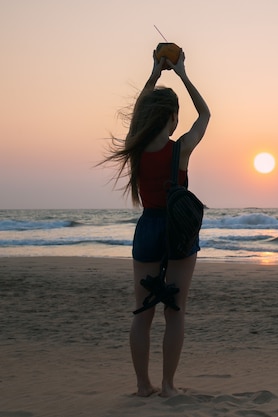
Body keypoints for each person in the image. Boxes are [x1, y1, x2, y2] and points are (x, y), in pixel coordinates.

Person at [102, 49, 210, 397]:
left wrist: (154, 73)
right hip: (178, 233)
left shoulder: (136, 148)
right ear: (173, 118)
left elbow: (137, 115)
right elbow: (206, 114)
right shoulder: (183, 149)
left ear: (146, 117)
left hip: (148, 229)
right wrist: (181, 74)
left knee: (142, 313)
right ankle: (167, 386)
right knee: (175, 312)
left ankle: (142, 386)